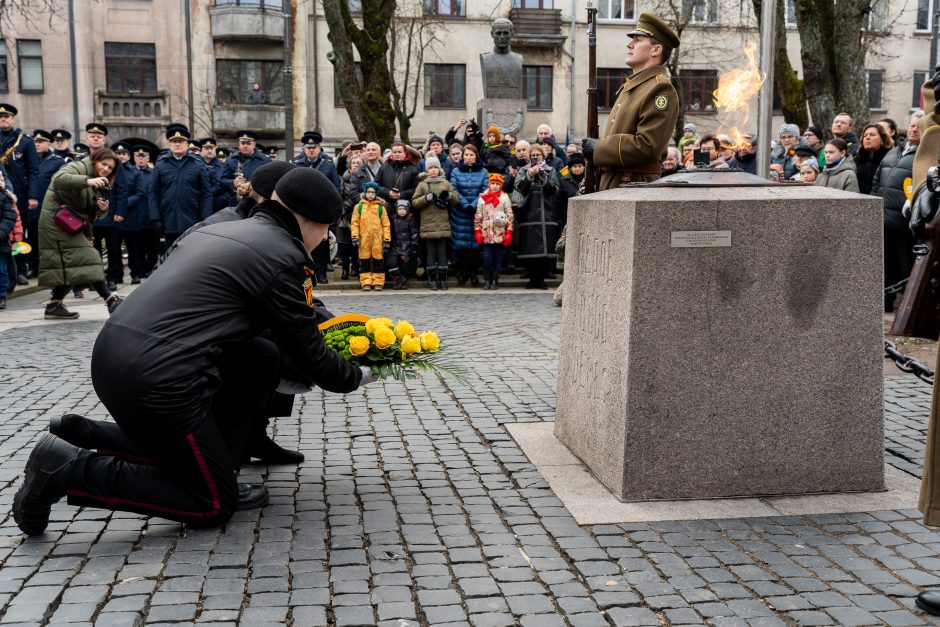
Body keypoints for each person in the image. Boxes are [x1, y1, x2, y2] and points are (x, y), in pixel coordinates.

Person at [13, 168, 375, 536]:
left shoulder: (226, 227)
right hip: (158, 379)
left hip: (119, 354)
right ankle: (66, 469)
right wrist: (360, 372)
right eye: (327, 229)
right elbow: (308, 348)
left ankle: (85, 432)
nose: (325, 238)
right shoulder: (283, 255)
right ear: (311, 222)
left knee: (260, 357)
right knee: (212, 502)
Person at [582, 13, 680, 190]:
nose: (629, 44)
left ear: (656, 50)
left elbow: (648, 146)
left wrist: (600, 148)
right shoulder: (632, 87)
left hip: (634, 186)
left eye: (637, 39)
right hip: (615, 184)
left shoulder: (660, 89)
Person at [37, 148, 124, 319]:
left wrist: (102, 210)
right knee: (88, 258)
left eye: (110, 168)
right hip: (56, 223)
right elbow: (59, 179)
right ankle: (110, 299)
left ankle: (54, 305)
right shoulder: (78, 167)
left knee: (74, 266)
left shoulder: (99, 180)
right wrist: (88, 181)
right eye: (103, 164)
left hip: (70, 224)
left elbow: (90, 212)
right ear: (94, 160)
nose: (106, 169)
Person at [873, 111, 922, 312]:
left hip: (904, 223)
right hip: (883, 218)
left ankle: (910, 310)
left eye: (919, 126)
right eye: (912, 125)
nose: (914, 129)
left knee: (906, 268)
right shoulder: (894, 151)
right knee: (884, 267)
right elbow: (877, 181)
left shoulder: (925, 154)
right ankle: (883, 306)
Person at [149, 124, 213, 248]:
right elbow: (153, 193)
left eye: (181, 141)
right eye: (174, 141)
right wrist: (155, 217)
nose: (177, 144)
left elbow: (206, 193)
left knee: (191, 254)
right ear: (170, 144)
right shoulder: (161, 165)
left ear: (187, 144)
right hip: (169, 220)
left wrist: (205, 217)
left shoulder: (198, 165)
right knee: (170, 254)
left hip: (192, 221)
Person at [293, 131, 341, 284]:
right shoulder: (297, 163)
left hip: (321, 208)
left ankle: (321, 273)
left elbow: (336, 187)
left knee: (322, 242)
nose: (311, 150)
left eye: (314, 147)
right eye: (308, 148)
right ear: (304, 149)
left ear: (319, 148)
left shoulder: (327, 164)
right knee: (304, 242)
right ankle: (307, 273)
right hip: (303, 209)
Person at [0, 104, 39, 284]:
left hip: (19, 195)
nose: (3, 119)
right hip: (1, 193)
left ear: (13, 118)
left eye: (6, 116)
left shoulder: (25, 141)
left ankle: (21, 269)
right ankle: (5, 271)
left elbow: (33, 170)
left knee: (19, 234)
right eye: (1, 117)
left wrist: (32, 195)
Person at [514, 143, 559, 289]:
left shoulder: (550, 170)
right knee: (530, 248)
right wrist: (529, 175)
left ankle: (540, 279)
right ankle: (532, 279)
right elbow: (519, 188)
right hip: (529, 214)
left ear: (543, 156)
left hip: (546, 213)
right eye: (532, 156)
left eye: (537, 155)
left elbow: (554, 190)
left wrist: (542, 178)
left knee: (544, 249)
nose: (535, 158)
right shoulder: (523, 170)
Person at [412, 156, 456, 290]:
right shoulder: (422, 184)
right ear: (426, 170)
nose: (433, 170)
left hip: (442, 224)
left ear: (439, 169)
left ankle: (443, 279)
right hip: (428, 225)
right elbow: (414, 202)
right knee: (430, 253)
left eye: (435, 167)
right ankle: (432, 280)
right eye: (430, 168)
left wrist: (449, 196)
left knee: (442, 253)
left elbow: (456, 199)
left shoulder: (446, 183)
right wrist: (426, 198)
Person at [93, 141, 130, 291]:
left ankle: (112, 278)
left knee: (113, 249)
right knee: (94, 250)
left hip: (111, 214)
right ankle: (96, 278)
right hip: (94, 216)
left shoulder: (116, 166)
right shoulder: (91, 164)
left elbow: (122, 190)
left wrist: (120, 211)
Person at [28, 130, 66, 277]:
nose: (37, 144)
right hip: (31, 208)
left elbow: (61, 186)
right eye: (35, 142)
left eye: (40, 142)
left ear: (48, 143)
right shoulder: (29, 160)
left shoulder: (57, 161)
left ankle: (52, 269)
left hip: (49, 208)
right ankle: (34, 267)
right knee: (32, 239)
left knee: (50, 241)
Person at [450, 144, 488, 286]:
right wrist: (465, 204)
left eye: (471, 155)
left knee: (475, 246)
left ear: (476, 156)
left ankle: (473, 273)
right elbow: (454, 189)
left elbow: (485, 190)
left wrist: (474, 204)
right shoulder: (455, 171)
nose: (468, 157)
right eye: (466, 155)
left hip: (477, 212)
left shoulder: (483, 171)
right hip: (460, 212)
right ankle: (462, 272)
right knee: (461, 246)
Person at [474, 172, 513, 290]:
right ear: (489, 184)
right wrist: (477, 231)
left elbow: (509, 215)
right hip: (487, 233)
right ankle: (487, 280)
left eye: (497, 184)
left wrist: (509, 232)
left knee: (497, 259)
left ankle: (495, 279)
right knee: (487, 259)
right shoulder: (483, 197)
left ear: (501, 185)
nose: (495, 186)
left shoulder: (504, 198)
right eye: (493, 183)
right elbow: (478, 215)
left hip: (499, 233)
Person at [351, 181, 390, 291]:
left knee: (378, 261)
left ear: (376, 194)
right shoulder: (358, 207)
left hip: (378, 239)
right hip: (364, 239)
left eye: (373, 192)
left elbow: (386, 224)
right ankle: (366, 282)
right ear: (365, 193)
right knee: (364, 261)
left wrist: (387, 239)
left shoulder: (380, 208)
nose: (370, 195)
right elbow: (355, 224)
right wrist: (355, 237)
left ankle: (378, 282)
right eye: (368, 192)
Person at [220, 130, 271, 205]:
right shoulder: (231, 160)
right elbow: (222, 181)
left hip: (256, 203)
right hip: (236, 203)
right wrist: (233, 182)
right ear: (239, 144)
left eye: (248, 143)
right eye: (243, 143)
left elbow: (269, 181)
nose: (245, 146)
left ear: (254, 144)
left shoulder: (264, 160)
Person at [119, 145, 146, 284]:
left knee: (133, 247)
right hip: (114, 217)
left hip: (130, 216)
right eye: (118, 153)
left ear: (129, 156)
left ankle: (135, 274)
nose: (121, 156)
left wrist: (122, 204)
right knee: (114, 247)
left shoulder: (135, 173)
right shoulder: (111, 171)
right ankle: (116, 274)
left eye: (124, 153)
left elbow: (140, 194)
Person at [339, 155, 363, 280]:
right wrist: (343, 211)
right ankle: (344, 269)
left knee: (356, 244)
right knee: (345, 244)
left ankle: (355, 267)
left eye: (358, 162)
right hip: (346, 215)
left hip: (360, 214)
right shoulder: (344, 178)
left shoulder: (363, 178)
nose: (355, 164)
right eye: (353, 162)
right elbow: (340, 196)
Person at [855, 122, 893, 195]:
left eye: (872, 135)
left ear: (882, 139)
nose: (867, 137)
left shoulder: (890, 159)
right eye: (865, 135)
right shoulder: (857, 160)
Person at [391, 200, 418, 290]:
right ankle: (398, 279)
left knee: (406, 266)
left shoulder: (410, 219)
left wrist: (414, 246)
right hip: (395, 246)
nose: (402, 211)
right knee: (393, 263)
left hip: (407, 247)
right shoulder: (393, 219)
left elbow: (414, 233)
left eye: (404, 209)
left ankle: (403, 280)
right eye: (400, 209)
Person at [0, 169, 16, 309]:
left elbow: (9, 218)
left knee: (1, 270)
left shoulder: (5, 197)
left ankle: (2, 296)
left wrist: (1, 232)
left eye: (1, 179)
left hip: (1, 242)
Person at [200, 137, 228, 213]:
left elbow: (220, 184)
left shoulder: (223, 166)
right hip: (199, 204)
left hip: (217, 205)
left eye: (211, 148)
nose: (209, 151)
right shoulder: (197, 165)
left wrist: (206, 193)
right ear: (201, 150)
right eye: (206, 148)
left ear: (215, 149)